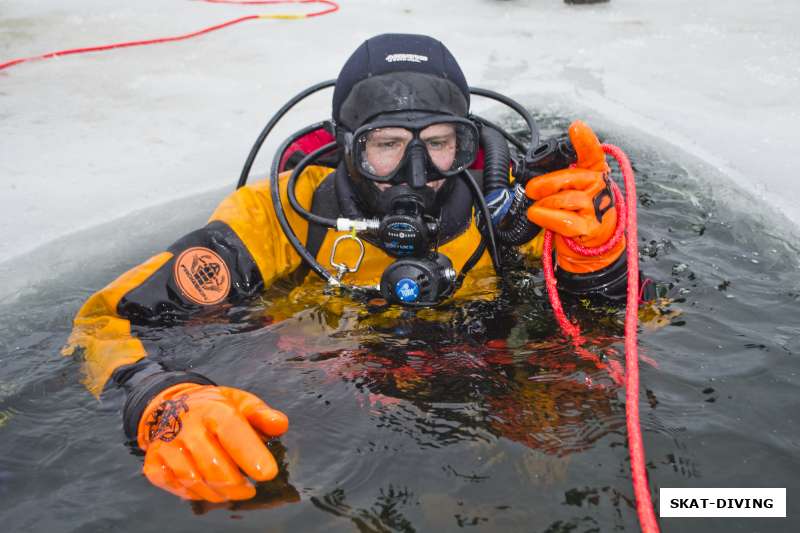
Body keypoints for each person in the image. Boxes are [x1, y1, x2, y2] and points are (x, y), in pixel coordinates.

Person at [63, 33, 639, 503]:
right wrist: (161, 399)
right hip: (333, 397)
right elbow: (104, 322)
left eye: (441, 143)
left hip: (486, 388)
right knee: (259, 489)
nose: (418, 170)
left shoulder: (516, 208)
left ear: (469, 145)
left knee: (562, 444)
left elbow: (632, 335)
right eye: (385, 144)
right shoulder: (279, 216)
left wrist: (599, 266)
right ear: (345, 145)